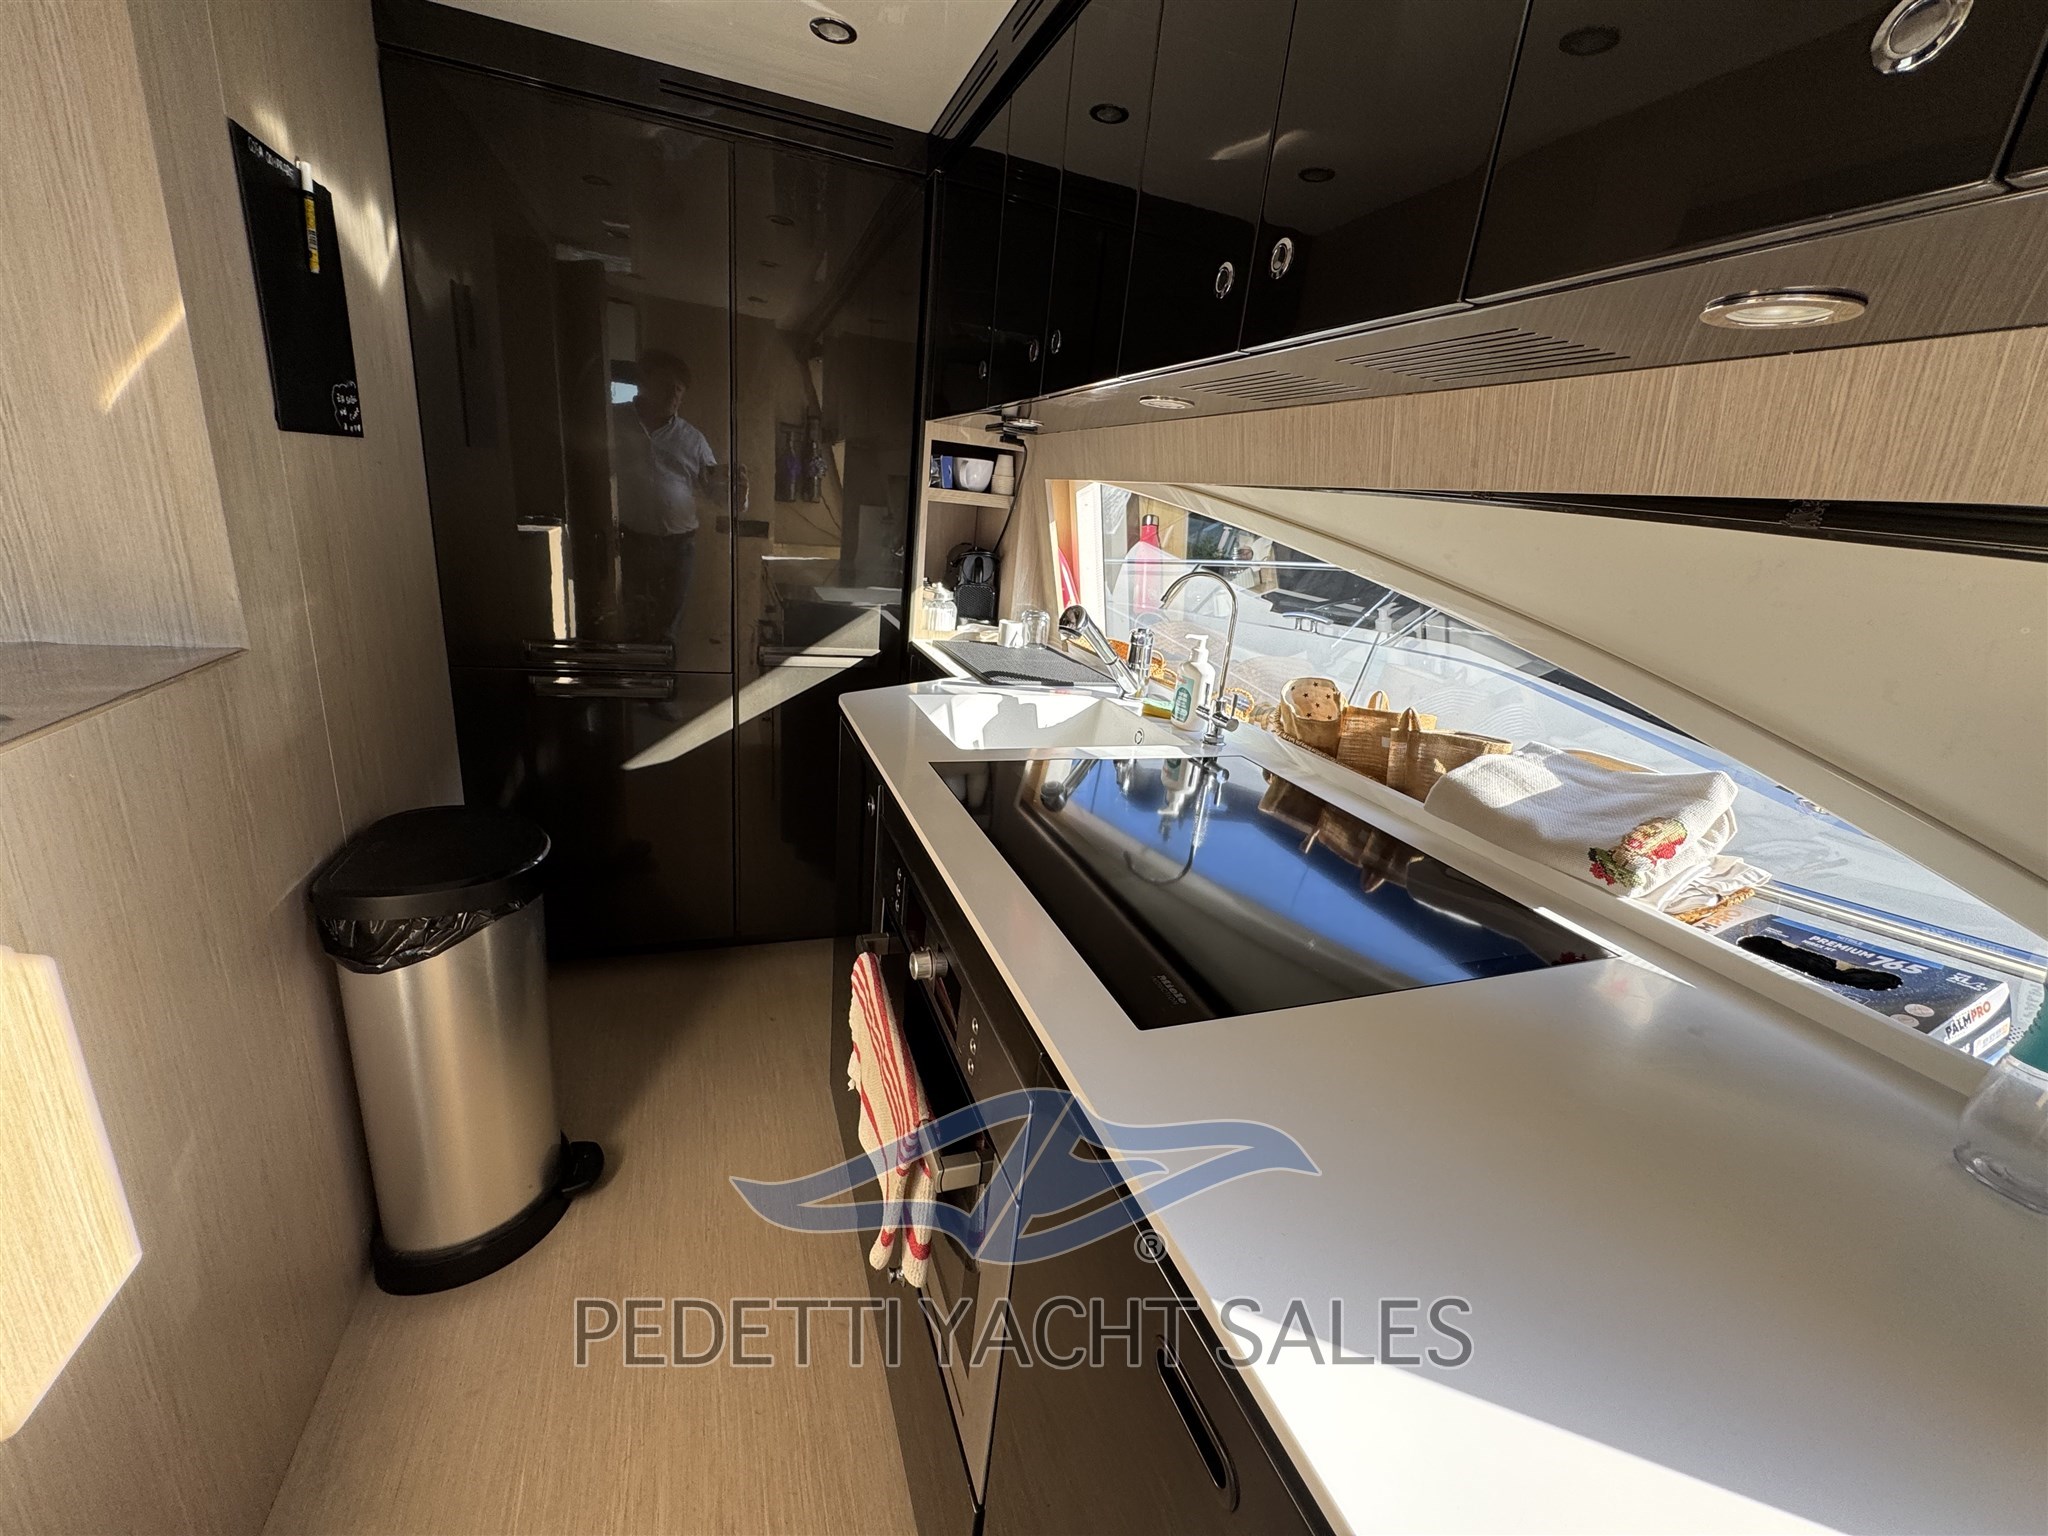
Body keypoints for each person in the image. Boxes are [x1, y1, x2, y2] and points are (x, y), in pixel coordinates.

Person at [614, 349, 722, 657]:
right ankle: (633, 683)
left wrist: (738, 493)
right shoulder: (614, 420)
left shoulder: (693, 440)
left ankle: (662, 686)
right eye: (667, 386)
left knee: (667, 629)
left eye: (679, 390)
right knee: (631, 622)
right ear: (645, 382)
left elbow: (717, 493)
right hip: (630, 541)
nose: (674, 395)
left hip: (678, 546)